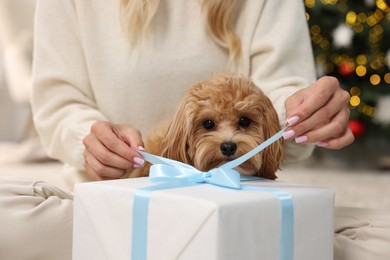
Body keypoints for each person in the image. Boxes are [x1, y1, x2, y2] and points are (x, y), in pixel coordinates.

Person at [2, 1, 372, 260]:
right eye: (209, 126)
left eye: (239, 125)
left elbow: (279, 94)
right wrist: (89, 138)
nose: (226, 137)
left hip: (243, 201)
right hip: (119, 195)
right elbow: (58, 101)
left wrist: (304, 114)